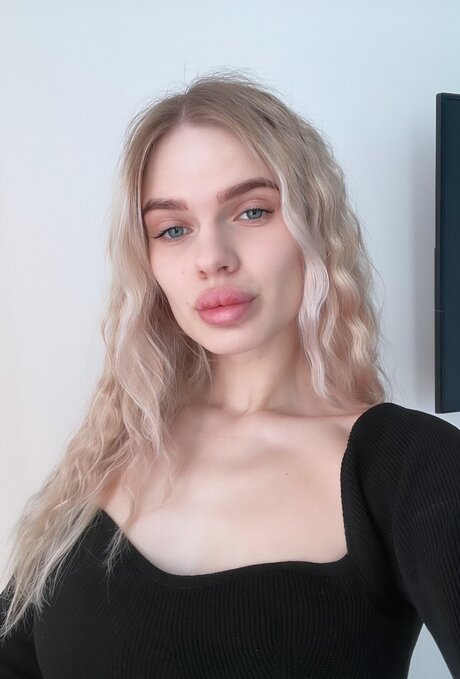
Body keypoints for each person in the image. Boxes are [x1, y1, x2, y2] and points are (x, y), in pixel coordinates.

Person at [1, 70, 459, 679]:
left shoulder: (410, 469)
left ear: (314, 224)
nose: (211, 257)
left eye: (251, 211)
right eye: (173, 229)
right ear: (148, 263)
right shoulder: (112, 446)